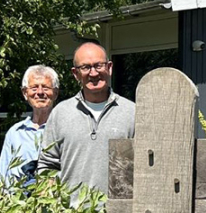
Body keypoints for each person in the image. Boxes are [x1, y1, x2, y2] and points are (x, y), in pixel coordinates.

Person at [38, 42, 135, 194]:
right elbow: (47, 165)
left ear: (109, 67)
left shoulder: (132, 112)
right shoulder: (60, 113)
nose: (94, 73)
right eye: (85, 67)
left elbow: (143, 168)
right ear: (75, 73)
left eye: (98, 65)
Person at [0, 65, 59, 188]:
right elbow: (3, 175)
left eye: (46, 87)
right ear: (25, 93)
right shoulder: (15, 133)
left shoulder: (64, 130)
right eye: (34, 88)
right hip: (18, 204)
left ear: (55, 93)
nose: (40, 92)